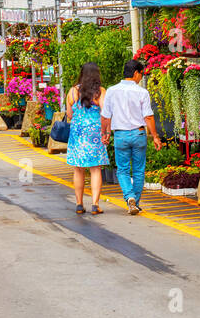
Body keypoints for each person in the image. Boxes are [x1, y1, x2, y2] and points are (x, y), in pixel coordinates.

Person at [101, 59, 163, 215]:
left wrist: (105, 134)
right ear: (136, 73)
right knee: (139, 171)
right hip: (139, 134)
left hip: (120, 135)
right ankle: (135, 200)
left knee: (122, 170)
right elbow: (148, 117)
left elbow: (105, 116)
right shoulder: (142, 92)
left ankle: (129, 198)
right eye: (141, 74)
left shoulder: (111, 91)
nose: (141, 78)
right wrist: (155, 136)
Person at [65, 62, 108, 215]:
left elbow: (69, 114)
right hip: (95, 132)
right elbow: (105, 113)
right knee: (96, 169)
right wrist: (106, 132)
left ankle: (79, 204)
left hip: (78, 133)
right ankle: (95, 205)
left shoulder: (72, 91)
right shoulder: (100, 92)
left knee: (78, 169)